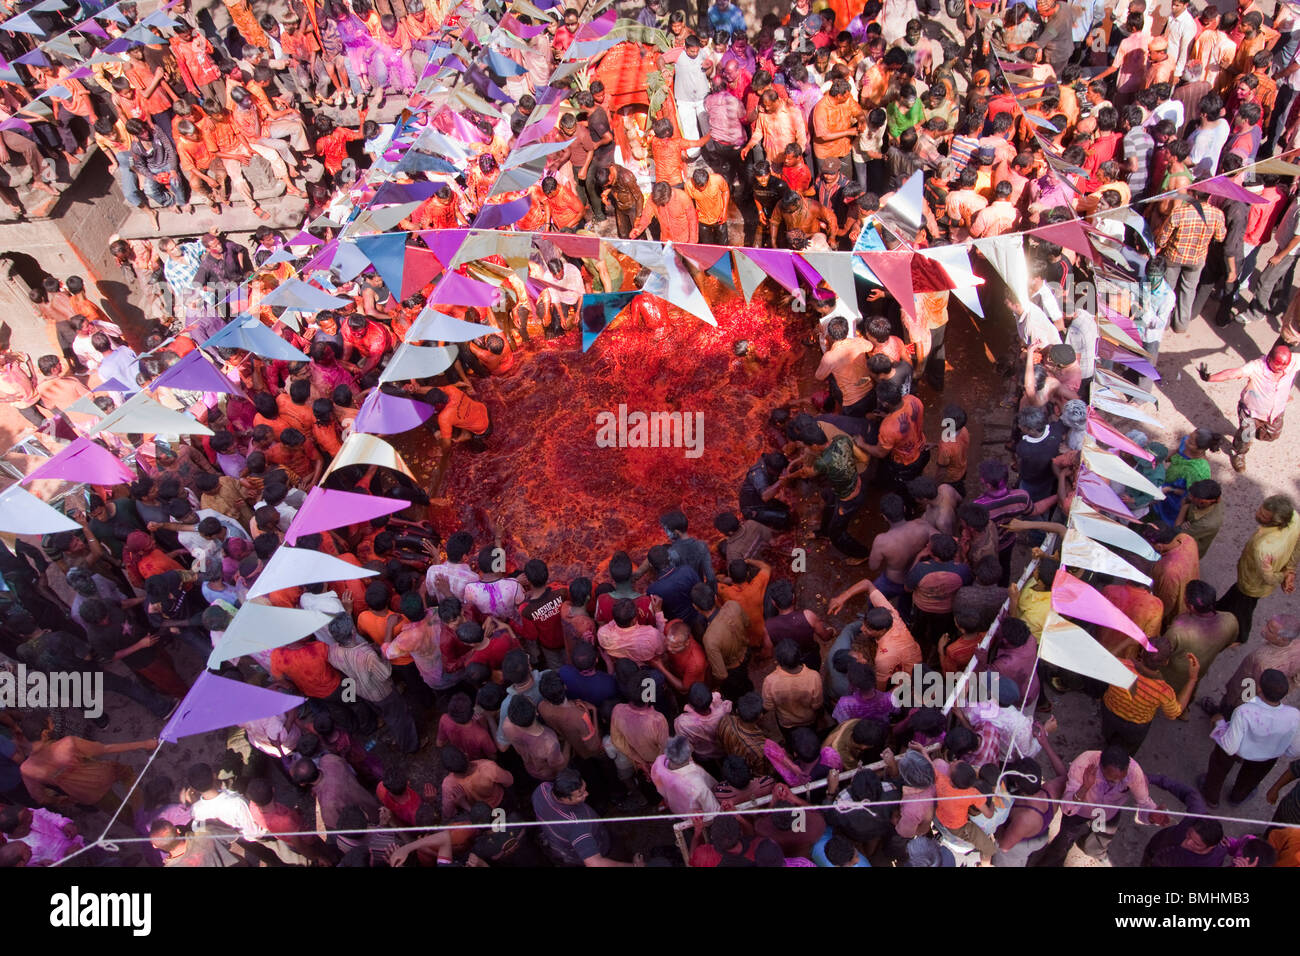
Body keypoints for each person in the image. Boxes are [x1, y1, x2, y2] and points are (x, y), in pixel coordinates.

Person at [1203, 669, 1300, 807]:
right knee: (1250, 779)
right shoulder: (1294, 715)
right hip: (1267, 758)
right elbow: (1295, 750)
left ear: (1259, 688)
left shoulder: (1245, 712)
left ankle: (1211, 797)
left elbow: (1230, 747)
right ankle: (1237, 797)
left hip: (1237, 750)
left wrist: (1219, 723)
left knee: (1219, 766)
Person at [1201, 343, 1300, 472]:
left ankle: (1248, 433)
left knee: (1272, 435)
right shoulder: (1257, 367)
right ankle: (1239, 454)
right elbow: (1233, 373)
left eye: (1284, 366)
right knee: (1246, 436)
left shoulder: (1295, 361)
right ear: (1269, 358)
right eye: (1278, 364)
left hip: (1275, 413)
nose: (1282, 369)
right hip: (1250, 412)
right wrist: (1210, 378)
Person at [1215, 494, 1299, 643]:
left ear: (1276, 522)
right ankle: (1219, 608)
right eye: (1261, 509)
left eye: (1263, 515)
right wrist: (1291, 569)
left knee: (1244, 608)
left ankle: (1241, 637)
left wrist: (1284, 575)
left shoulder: (1263, 548)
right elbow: (1297, 546)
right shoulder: (1294, 518)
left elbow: (1269, 577)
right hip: (1248, 578)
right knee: (1237, 594)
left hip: (1253, 584)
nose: (1257, 513)